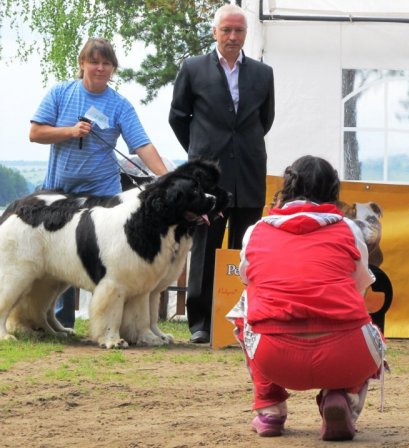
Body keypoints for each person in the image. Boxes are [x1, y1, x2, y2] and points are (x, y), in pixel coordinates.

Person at [226, 155, 386, 440]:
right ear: (333, 192)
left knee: (245, 305)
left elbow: (249, 279)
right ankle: (343, 397)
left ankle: (269, 408)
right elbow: (359, 284)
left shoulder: (256, 230)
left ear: (286, 188)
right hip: (344, 352)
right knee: (362, 319)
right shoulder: (349, 229)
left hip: (277, 357)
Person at [29, 37, 168, 329]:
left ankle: (106, 323)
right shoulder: (60, 93)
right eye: (94, 62)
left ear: (113, 68)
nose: (100, 68)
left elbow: (141, 144)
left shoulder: (119, 105)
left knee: (101, 263)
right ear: (82, 64)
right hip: (58, 192)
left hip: (103, 197)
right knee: (58, 261)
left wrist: (166, 178)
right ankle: (58, 321)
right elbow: (36, 133)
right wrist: (69, 131)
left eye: (107, 63)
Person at [168, 4, 275, 344]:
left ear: (246, 34)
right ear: (214, 32)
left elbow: (265, 120)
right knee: (205, 245)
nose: (232, 37)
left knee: (247, 247)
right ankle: (200, 322)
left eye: (238, 31)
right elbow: (177, 116)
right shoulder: (192, 68)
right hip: (207, 176)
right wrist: (200, 153)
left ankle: (246, 318)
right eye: (226, 30)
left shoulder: (263, 73)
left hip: (248, 169)